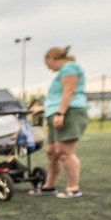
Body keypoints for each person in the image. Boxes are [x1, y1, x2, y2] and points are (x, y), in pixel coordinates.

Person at [30, 46, 89, 198]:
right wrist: (44, 108)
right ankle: (50, 185)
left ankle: (73, 188)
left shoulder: (70, 68)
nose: (47, 67)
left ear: (52, 58)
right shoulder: (63, 71)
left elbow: (69, 91)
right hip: (56, 113)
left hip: (69, 112)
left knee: (65, 153)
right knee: (51, 152)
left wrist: (60, 113)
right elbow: (58, 96)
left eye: (47, 63)